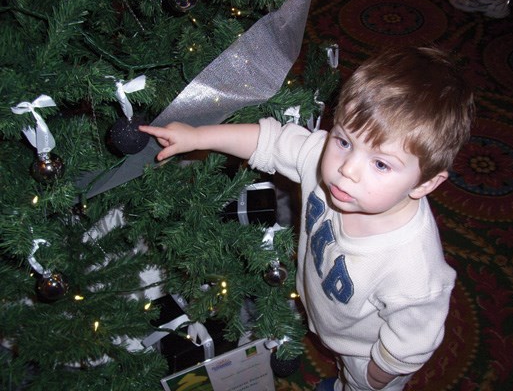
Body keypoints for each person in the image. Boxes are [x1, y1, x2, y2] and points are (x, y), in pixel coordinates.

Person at [140, 46, 475, 391]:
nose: (347, 170)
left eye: (380, 164)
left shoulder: (414, 267)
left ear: (426, 183)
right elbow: (270, 141)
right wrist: (198, 137)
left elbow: (415, 337)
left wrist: (378, 373)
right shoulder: (323, 160)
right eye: (344, 141)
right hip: (330, 318)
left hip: (367, 355)